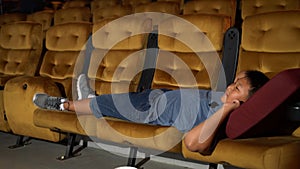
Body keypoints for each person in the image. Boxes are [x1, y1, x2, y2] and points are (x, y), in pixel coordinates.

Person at [33, 70, 269, 153]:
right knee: (108, 101)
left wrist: (227, 107)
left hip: (150, 109)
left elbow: (193, 143)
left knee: (107, 104)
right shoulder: (228, 99)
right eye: (234, 81)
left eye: (237, 87)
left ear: (246, 102)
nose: (230, 87)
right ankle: (90, 99)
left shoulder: (225, 115)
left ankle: (63, 104)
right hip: (160, 95)